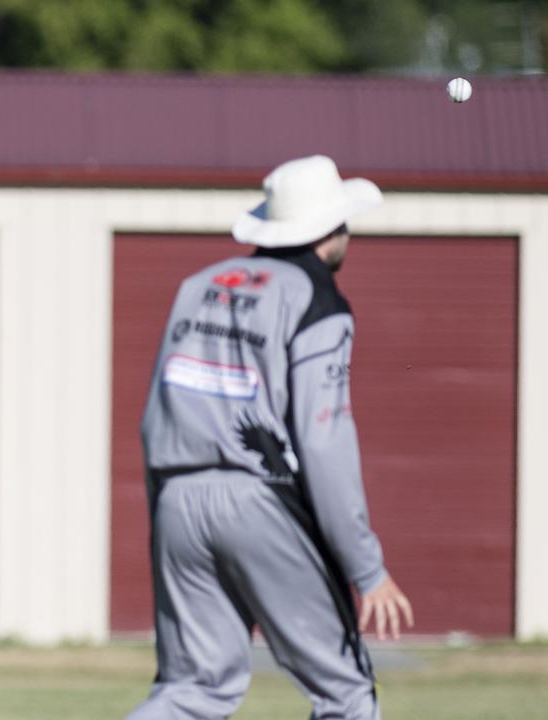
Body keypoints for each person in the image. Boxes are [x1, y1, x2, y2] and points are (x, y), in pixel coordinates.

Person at [127, 155, 414, 719]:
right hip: (259, 498)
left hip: (176, 499)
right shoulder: (316, 300)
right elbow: (323, 442)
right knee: (346, 692)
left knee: (193, 690)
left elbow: (155, 414)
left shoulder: (198, 285)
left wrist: (166, 507)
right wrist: (366, 567)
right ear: (332, 230)